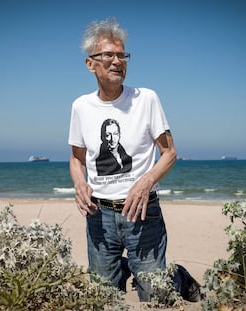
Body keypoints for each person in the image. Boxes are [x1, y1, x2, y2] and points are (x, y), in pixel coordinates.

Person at [68, 17, 177, 301]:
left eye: (122, 55)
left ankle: (175, 277)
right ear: (90, 64)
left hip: (142, 212)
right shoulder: (81, 107)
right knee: (104, 298)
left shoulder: (146, 99)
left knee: (155, 296)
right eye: (108, 55)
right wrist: (80, 184)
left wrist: (146, 182)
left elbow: (169, 153)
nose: (117, 61)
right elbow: (76, 159)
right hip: (98, 216)